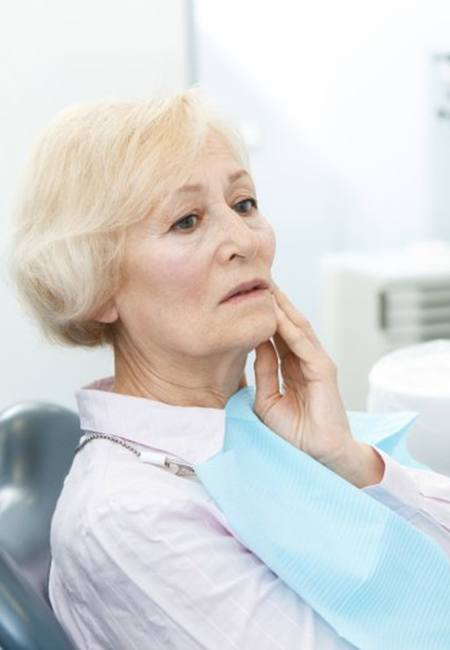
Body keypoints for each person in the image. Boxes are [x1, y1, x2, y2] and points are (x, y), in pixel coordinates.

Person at [10, 88, 450, 649]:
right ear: (96, 285)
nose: (244, 240)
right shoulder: (130, 519)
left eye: (244, 204)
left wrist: (349, 462)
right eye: (187, 221)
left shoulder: (263, 435)